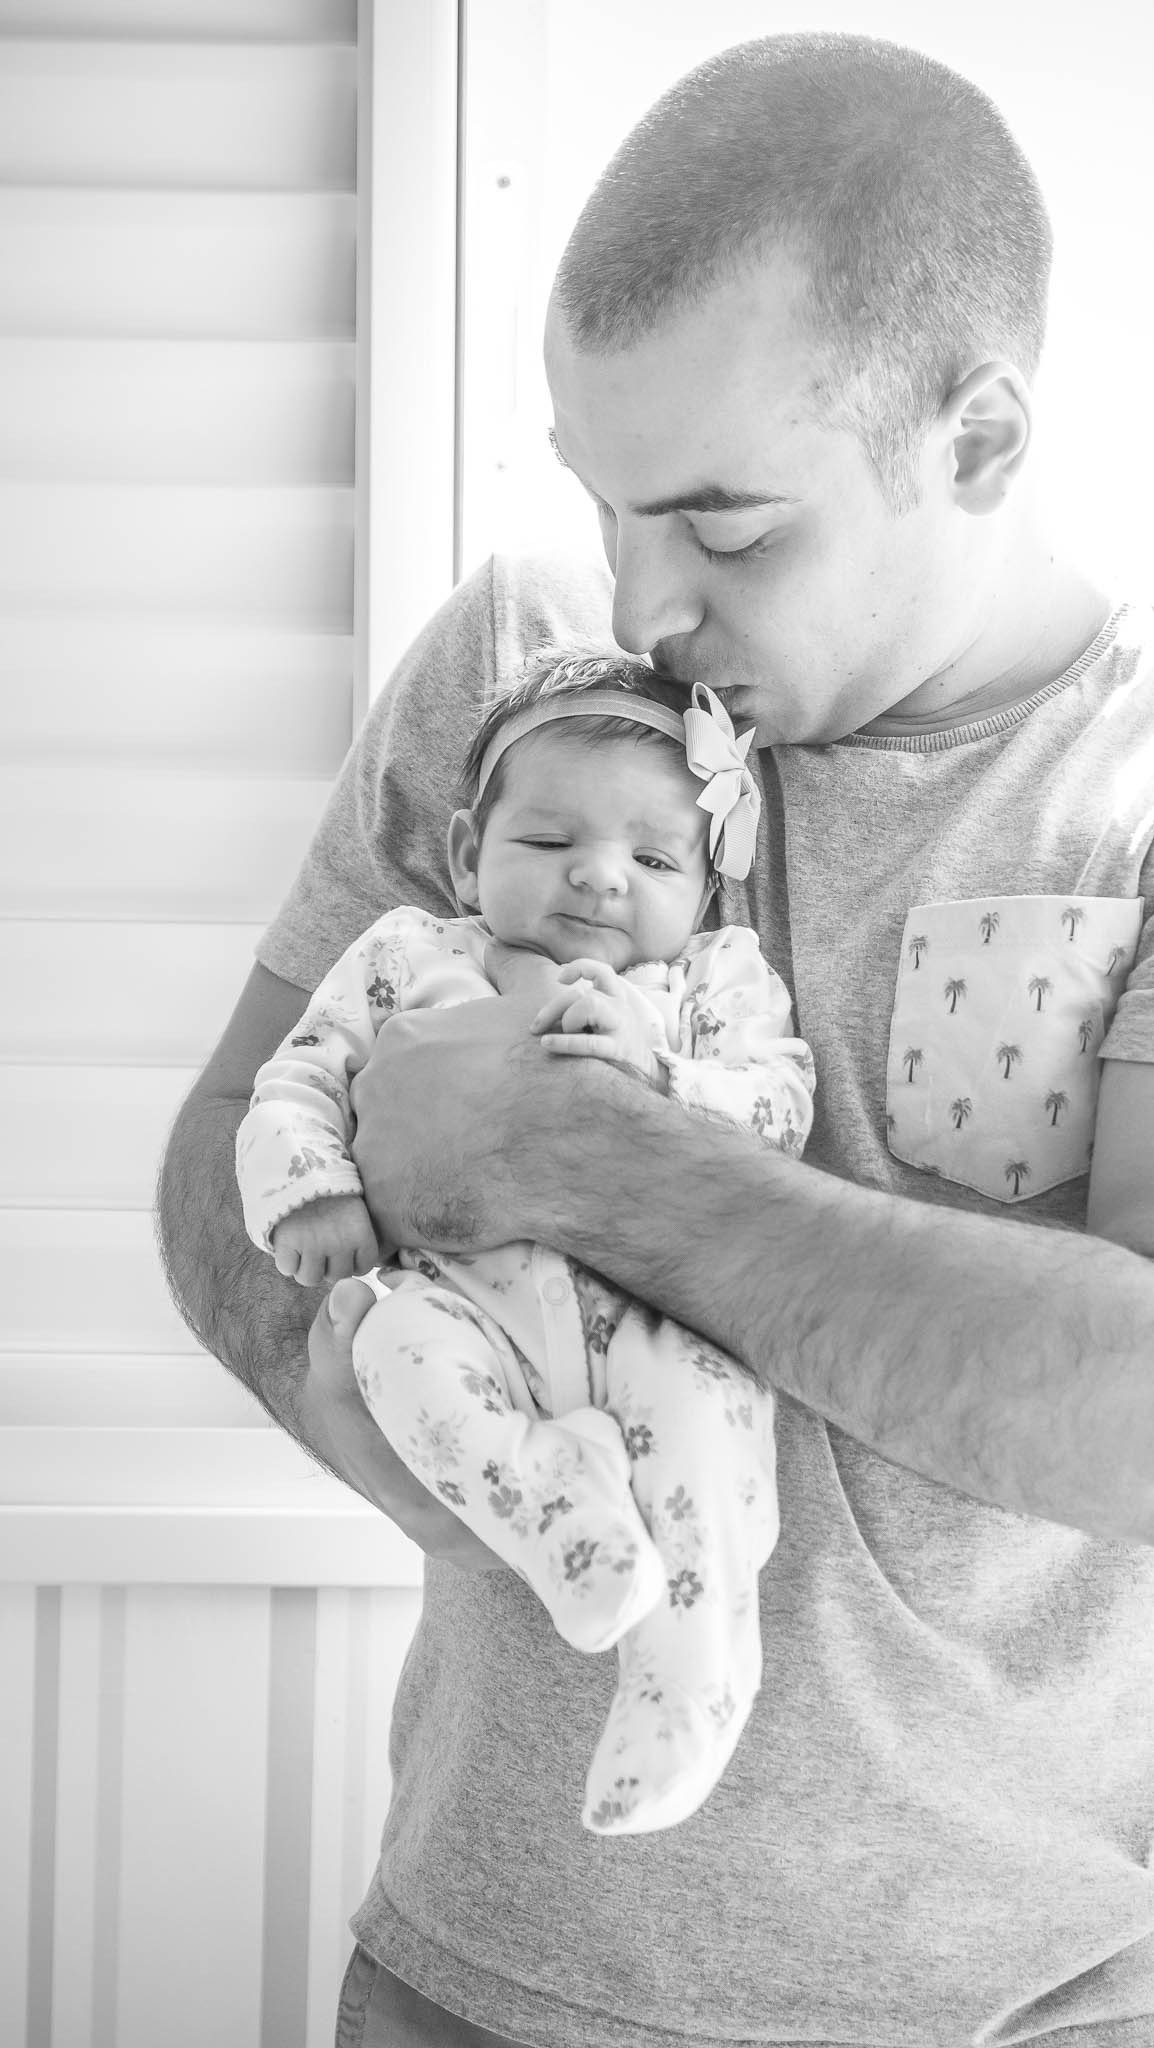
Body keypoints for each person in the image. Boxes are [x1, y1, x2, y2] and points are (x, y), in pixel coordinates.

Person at [156, 30, 1154, 2048]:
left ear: (977, 440)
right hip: (482, 1982)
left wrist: (576, 1155)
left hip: (1065, 2010)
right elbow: (225, 1161)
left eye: (726, 529)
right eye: (606, 501)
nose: (644, 603)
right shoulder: (526, 681)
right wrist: (371, 1387)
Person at [234, 650, 814, 1837]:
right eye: (551, 840)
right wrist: (311, 1188)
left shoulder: (712, 982)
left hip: (659, 1309)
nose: (599, 875)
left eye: (655, 859)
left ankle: (687, 1681)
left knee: (700, 1450)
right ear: (467, 854)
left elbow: (780, 1107)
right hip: (467, 1302)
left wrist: (659, 1070)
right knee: (393, 1350)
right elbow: (299, 1075)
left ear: (708, 887)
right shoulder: (406, 955)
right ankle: (558, 1508)